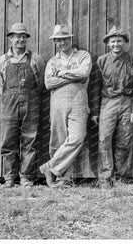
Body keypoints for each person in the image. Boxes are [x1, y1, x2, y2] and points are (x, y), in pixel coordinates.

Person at [39, 25, 92, 188]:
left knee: (77, 137)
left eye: (65, 39)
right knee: (59, 138)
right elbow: (49, 83)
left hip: (78, 100)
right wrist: (72, 77)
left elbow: (84, 73)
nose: (62, 42)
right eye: (58, 40)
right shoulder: (52, 61)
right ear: (55, 42)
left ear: (70, 39)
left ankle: (50, 167)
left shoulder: (83, 55)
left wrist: (61, 73)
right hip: (58, 101)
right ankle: (63, 178)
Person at [91, 26, 133, 188]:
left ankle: (122, 176)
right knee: (104, 140)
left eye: (119, 41)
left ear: (124, 43)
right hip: (108, 103)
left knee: (125, 141)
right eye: (113, 41)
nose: (116, 44)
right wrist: (94, 111)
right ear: (108, 44)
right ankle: (105, 177)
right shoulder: (101, 61)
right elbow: (95, 87)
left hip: (127, 102)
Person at [0, 22, 45, 187]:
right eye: (17, 37)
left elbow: (41, 83)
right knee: (8, 141)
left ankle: (26, 177)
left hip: (31, 103)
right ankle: (9, 177)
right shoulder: (2, 60)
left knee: (29, 140)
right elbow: (0, 86)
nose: (20, 40)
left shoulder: (35, 59)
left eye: (23, 37)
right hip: (10, 103)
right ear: (10, 38)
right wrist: (11, 97)